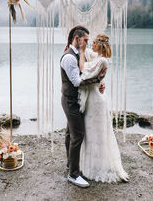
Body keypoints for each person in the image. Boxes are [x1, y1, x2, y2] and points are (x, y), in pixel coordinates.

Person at [79, 33, 129, 183]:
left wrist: (81, 51)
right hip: (94, 97)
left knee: (97, 134)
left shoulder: (102, 61)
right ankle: (90, 165)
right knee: (91, 132)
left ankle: (97, 167)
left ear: (99, 45)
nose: (91, 45)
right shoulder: (98, 58)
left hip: (95, 101)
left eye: (93, 42)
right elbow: (89, 53)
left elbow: (83, 68)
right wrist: (78, 46)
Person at [60, 26, 106, 188]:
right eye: (85, 39)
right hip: (71, 101)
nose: (87, 42)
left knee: (70, 133)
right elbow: (77, 81)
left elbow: (84, 73)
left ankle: (69, 163)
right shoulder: (69, 58)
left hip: (76, 99)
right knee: (77, 136)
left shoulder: (78, 54)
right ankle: (73, 174)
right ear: (77, 38)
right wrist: (97, 80)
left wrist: (99, 82)